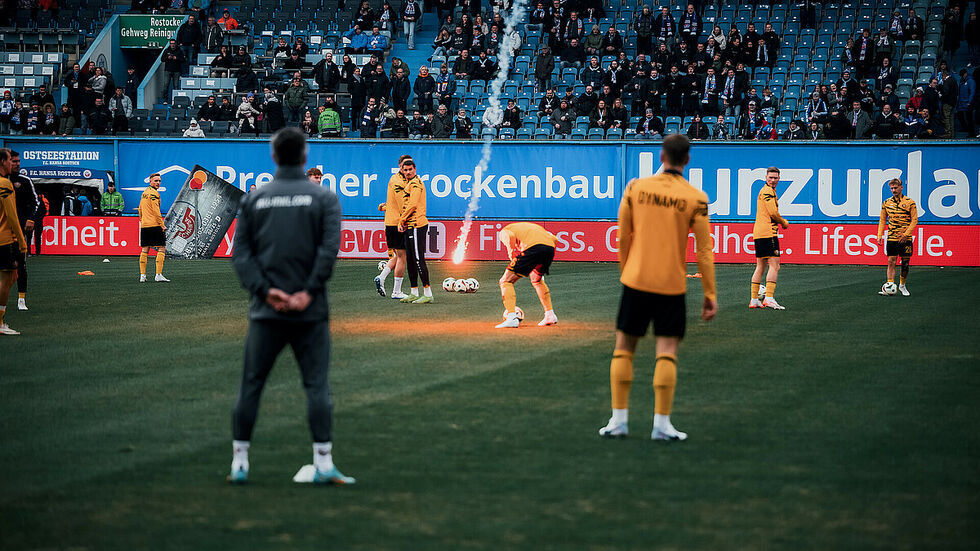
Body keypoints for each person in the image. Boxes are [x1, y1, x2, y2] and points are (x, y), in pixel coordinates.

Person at [228, 127, 352, 486]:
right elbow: (328, 252)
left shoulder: (255, 199)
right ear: (304, 156)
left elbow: (241, 255)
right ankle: (323, 463)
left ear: (273, 156)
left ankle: (239, 462)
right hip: (310, 311)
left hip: (266, 311)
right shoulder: (324, 198)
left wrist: (267, 292)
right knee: (317, 387)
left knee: (251, 385)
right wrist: (307, 293)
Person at [598, 134, 716, 440]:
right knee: (667, 353)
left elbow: (623, 235)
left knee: (624, 350)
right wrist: (710, 293)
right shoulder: (696, 198)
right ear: (687, 160)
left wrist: (627, 271)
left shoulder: (636, 188)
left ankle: (618, 421)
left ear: (661, 156)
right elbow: (704, 250)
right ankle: (661, 425)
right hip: (671, 285)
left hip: (636, 281)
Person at [495, 223, 559, 329]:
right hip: (549, 249)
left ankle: (511, 318)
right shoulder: (531, 228)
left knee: (506, 281)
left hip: (533, 249)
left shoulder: (505, 230)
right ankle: (550, 315)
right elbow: (554, 239)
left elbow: (509, 235)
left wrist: (510, 251)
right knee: (537, 280)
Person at [749, 167, 789, 310]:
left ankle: (754, 300)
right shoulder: (767, 191)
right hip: (768, 233)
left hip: (759, 232)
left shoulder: (767, 191)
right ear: (766, 177)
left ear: (779, 178)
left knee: (761, 266)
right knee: (775, 265)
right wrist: (783, 222)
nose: (773, 180)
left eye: (775, 178)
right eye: (770, 177)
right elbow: (773, 212)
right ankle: (769, 298)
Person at [396, 159, 433, 304]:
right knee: (410, 260)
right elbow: (407, 204)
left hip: (417, 224)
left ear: (415, 169)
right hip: (410, 225)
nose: (408, 172)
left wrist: (401, 220)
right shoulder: (409, 183)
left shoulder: (416, 183)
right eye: (405, 170)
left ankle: (428, 293)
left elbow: (413, 205)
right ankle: (414, 292)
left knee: (418, 259)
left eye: (410, 169)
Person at [375, 155, 411, 299]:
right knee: (402, 257)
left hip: (393, 222)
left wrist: (386, 206)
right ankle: (396, 291)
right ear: (400, 166)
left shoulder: (399, 179)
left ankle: (382, 277)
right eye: (404, 166)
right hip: (397, 223)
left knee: (399, 255)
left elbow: (394, 202)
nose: (406, 169)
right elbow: (402, 203)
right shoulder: (397, 181)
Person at [0, 149, 28, 334]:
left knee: (11, 277)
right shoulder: (5, 184)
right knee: (7, 278)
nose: (14, 163)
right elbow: (12, 216)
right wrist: (21, 242)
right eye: (11, 160)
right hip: (5, 239)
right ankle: (0, 322)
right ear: (3, 162)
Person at [876, 178, 917, 296]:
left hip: (905, 238)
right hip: (892, 237)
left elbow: (914, 220)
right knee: (891, 261)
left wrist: (906, 234)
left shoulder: (910, 202)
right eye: (892, 188)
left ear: (901, 187)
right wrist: (879, 235)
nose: (893, 190)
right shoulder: (886, 203)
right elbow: (882, 220)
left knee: (905, 263)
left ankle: (902, 286)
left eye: (895, 188)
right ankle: (890, 285)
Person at [10, 151, 38, 311]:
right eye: (14, 161)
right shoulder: (2, 181)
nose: (17, 164)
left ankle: (21, 299)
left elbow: (35, 202)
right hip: (3, 230)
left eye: (18, 161)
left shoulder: (24, 181)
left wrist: (31, 218)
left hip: (20, 230)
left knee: (21, 264)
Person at [138, 173, 169, 283]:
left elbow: (140, 209)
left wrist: (142, 220)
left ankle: (142, 275)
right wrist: (162, 225)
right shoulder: (154, 194)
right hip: (154, 224)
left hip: (145, 225)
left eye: (159, 181)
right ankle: (158, 275)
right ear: (150, 181)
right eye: (156, 181)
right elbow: (156, 211)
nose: (158, 183)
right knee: (161, 248)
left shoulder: (144, 193)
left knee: (145, 250)